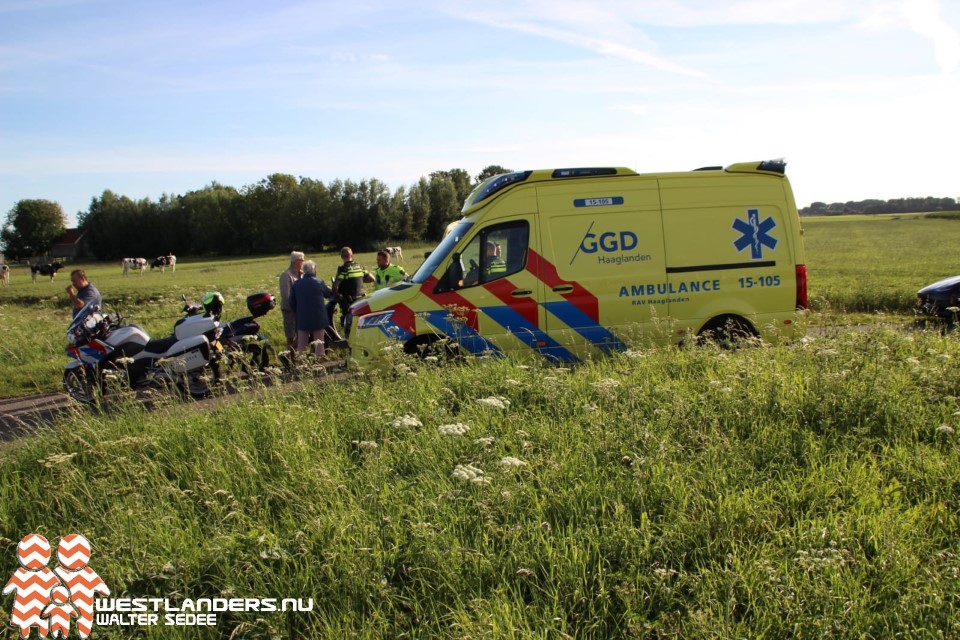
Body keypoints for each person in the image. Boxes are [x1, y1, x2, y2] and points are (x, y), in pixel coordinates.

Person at [288, 260, 335, 357]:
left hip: (302, 318)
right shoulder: (319, 282)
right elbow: (328, 294)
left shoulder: (296, 284)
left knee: (302, 344)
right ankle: (319, 365)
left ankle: (302, 365)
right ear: (314, 270)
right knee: (319, 343)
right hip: (318, 317)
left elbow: (292, 302)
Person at [329, 247, 374, 337]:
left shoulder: (343, 269)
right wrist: (360, 280)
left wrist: (338, 296)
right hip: (360, 299)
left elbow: (335, 286)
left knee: (348, 324)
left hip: (348, 301)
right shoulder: (360, 266)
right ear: (352, 255)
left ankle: (349, 341)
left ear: (342, 256)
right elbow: (372, 278)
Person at [279, 251, 304, 352]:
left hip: (300, 310)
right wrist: (292, 310)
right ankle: (289, 359)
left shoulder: (301, 274)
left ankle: (296, 356)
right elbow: (286, 296)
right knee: (290, 336)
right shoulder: (286, 275)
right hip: (290, 311)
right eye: (302, 260)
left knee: (302, 335)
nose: (303, 262)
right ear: (296, 261)